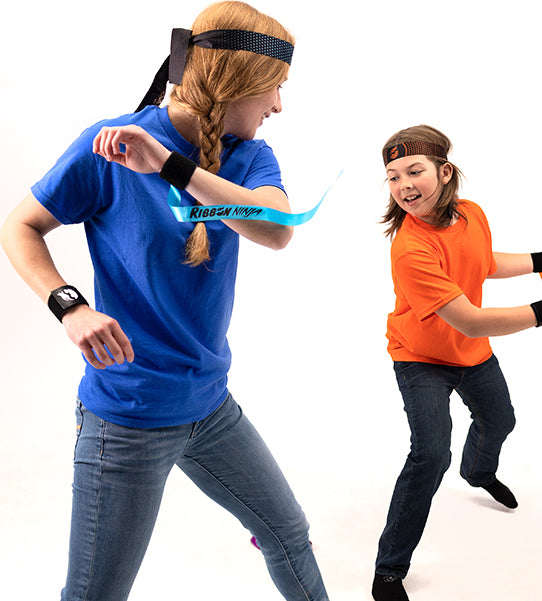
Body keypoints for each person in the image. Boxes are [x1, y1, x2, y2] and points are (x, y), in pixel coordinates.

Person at [0, 2, 330, 600]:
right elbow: (19, 226)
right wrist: (70, 306)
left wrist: (172, 167)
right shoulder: (108, 145)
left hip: (210, 406)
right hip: (127, 417)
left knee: (288, 534)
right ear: (233, 82)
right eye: (274, 87)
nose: (279, 105)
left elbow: (277, 229)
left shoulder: (249, 153)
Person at [371, 124, 542, 601]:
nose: (403, 185)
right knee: (430, 455)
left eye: (414, 171)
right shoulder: (409, 248)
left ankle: (478, 472)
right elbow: (470, 320)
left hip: (469, 353)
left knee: (500, 419)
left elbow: (481, 261)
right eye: (393, 177)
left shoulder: (470, 213)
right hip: (420, 358)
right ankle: (389, 569)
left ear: (444, 172)